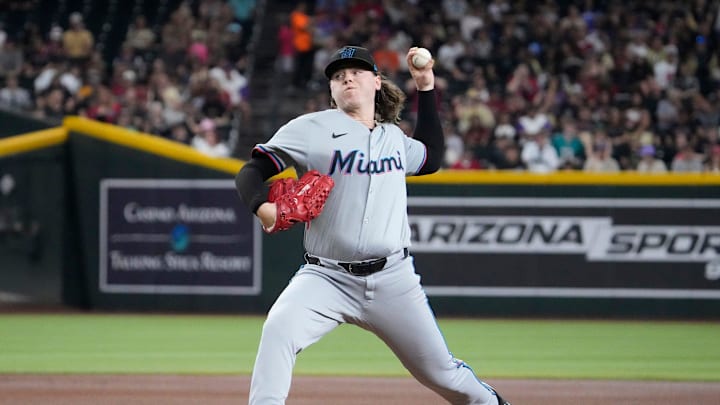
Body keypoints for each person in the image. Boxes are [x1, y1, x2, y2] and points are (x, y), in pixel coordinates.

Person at [234, 45, 511, 405]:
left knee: (441, 373)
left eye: (357, 71)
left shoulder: (394, 139)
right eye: (337, 75)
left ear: (377, 82)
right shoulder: (310, 128)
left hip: (393, 279)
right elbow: (252, 171)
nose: (347, 77)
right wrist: (262, 207)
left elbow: (431, 157)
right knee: (278, 330)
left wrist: (426, 86)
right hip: (326, 277)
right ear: (332, 90)